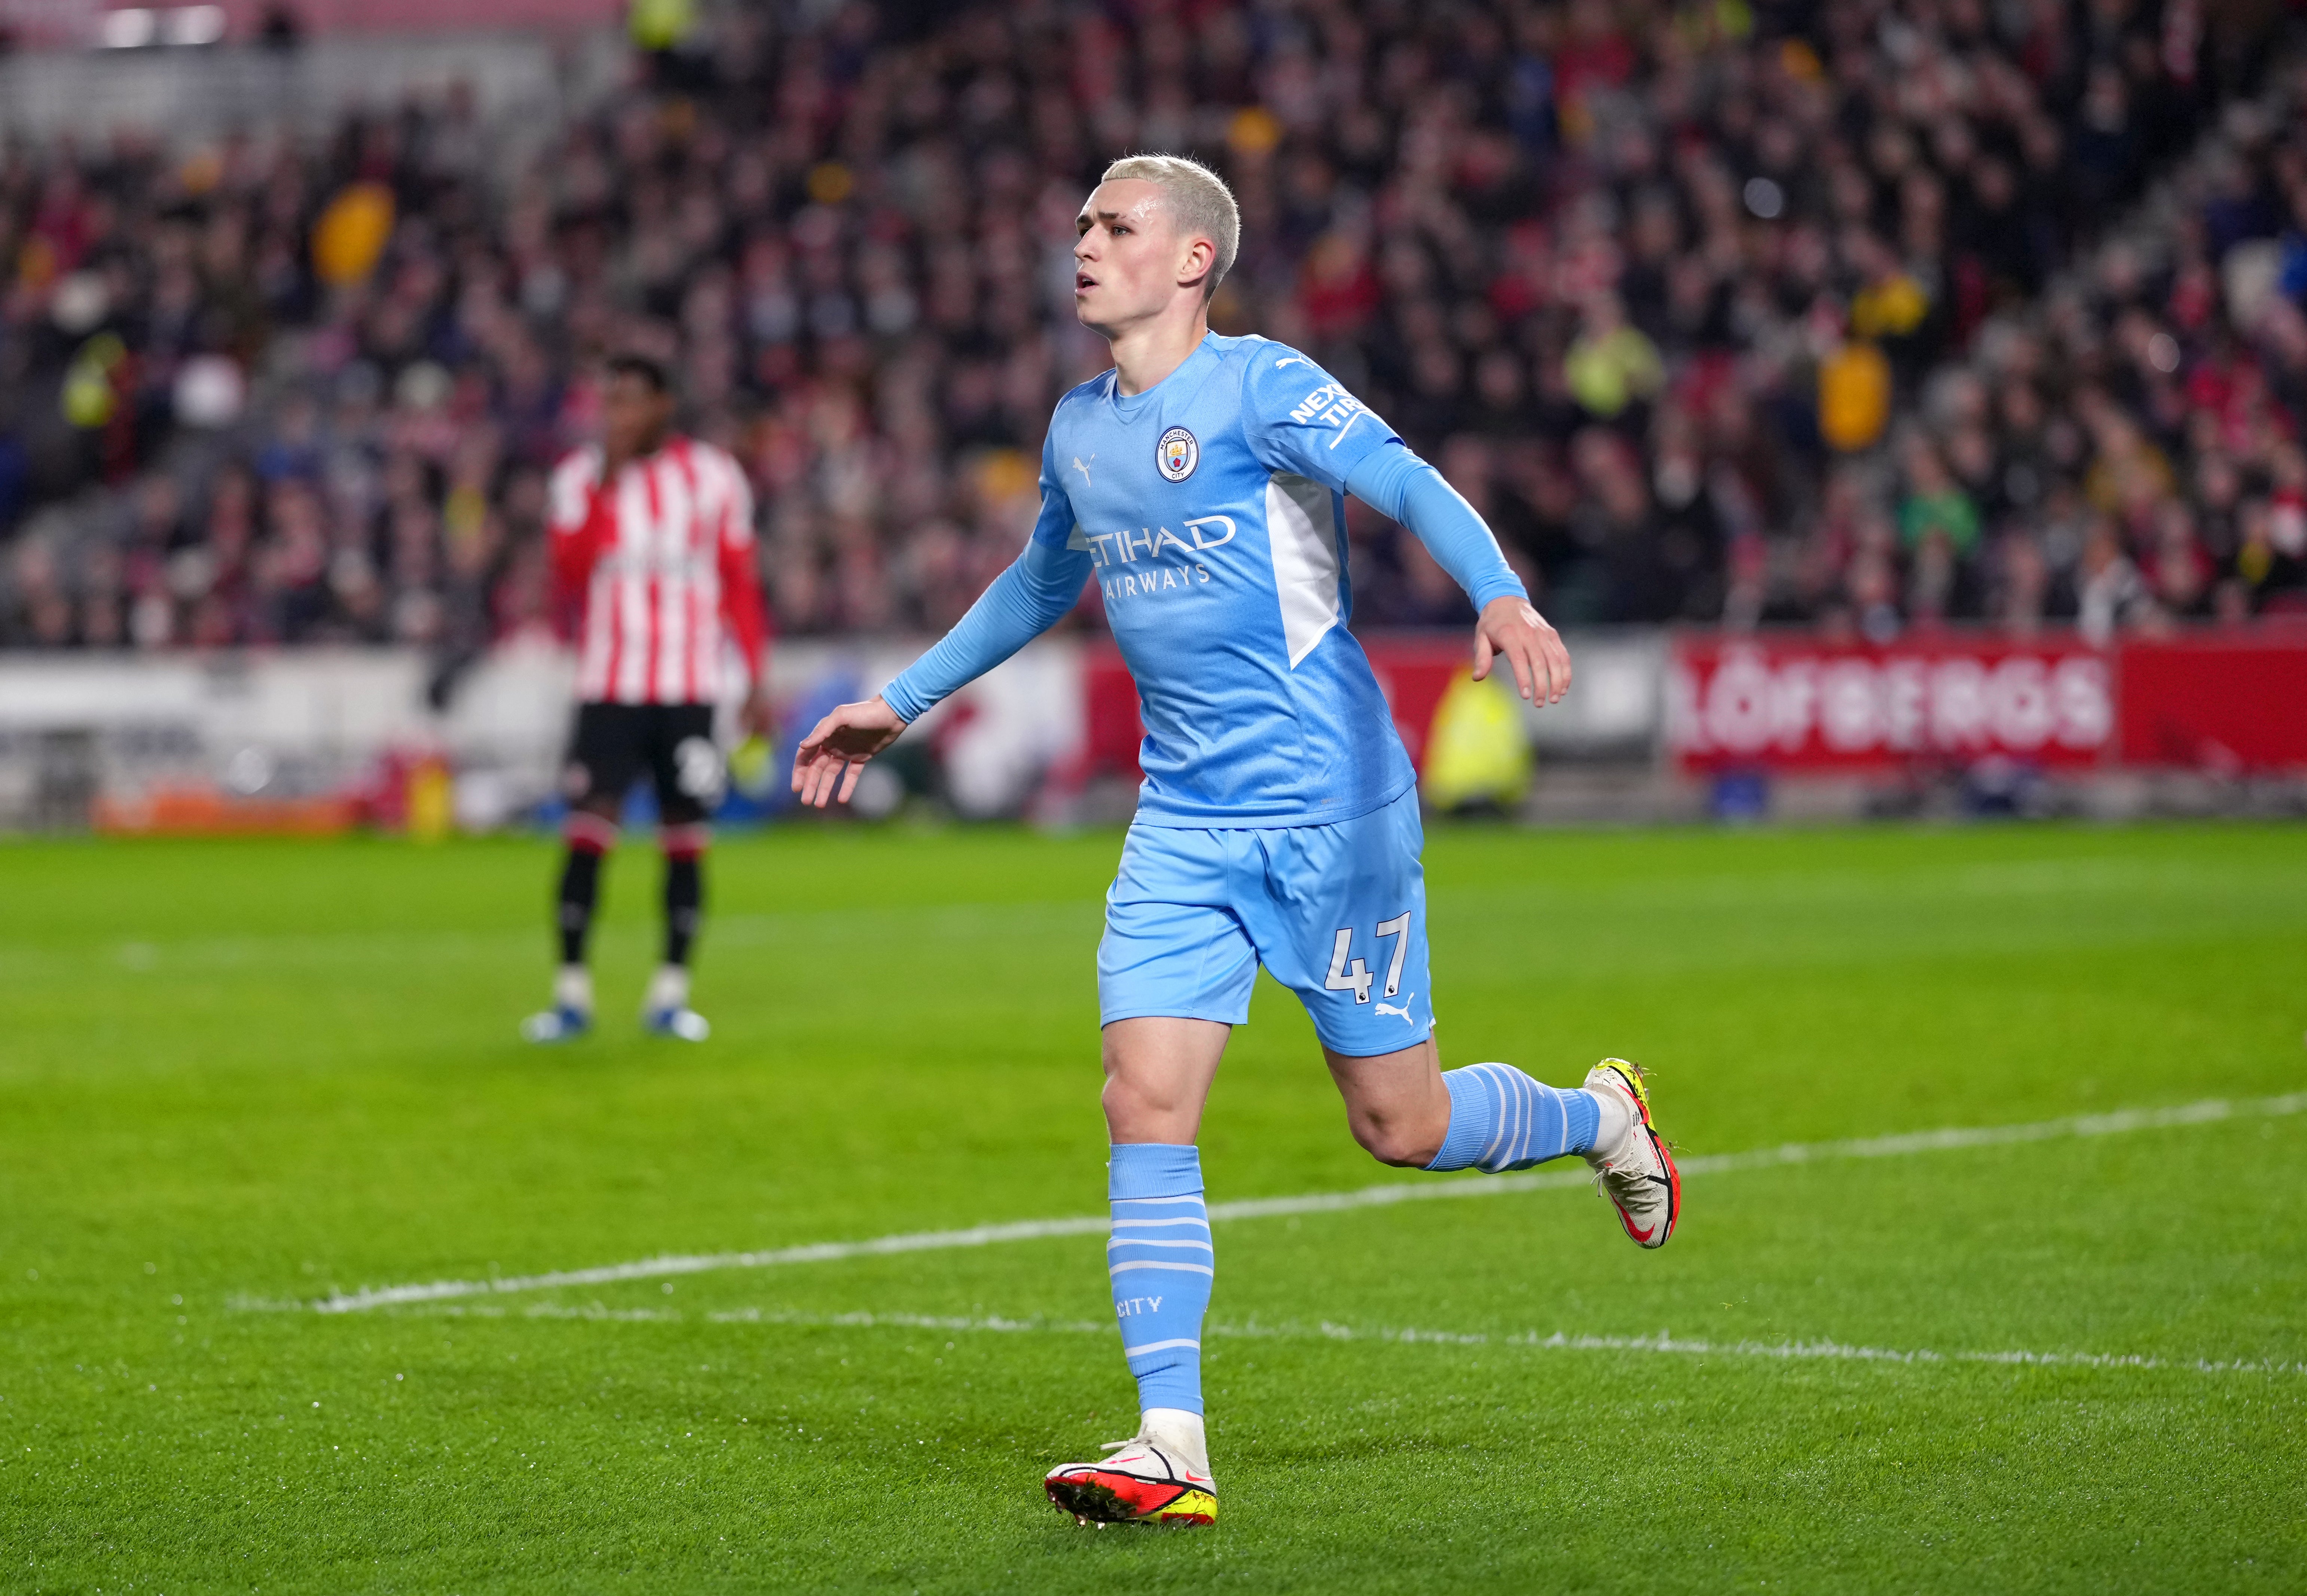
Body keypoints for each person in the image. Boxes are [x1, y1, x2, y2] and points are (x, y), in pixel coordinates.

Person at [789, 156, 1678, 1526]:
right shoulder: (1077, 428)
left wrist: (1497, 593)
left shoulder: (1263, 386)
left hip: (1331, 810)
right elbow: (1040, 579)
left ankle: (1599, 1118)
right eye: (1080, 220)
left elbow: (1401, 473)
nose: (1080, 241)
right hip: (1183, 821)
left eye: (1114, 224)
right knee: (1139, 1099)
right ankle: (1171, 1441)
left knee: (1402, 1121)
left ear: (1192, 259)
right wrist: (898, 703)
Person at [523, 353, 770, 1044]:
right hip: (609, 686)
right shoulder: (579, 476)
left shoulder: (713, 476)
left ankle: (670, 993)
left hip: (690, 687)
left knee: (685, 835)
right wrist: (605, 481)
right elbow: (568, 573)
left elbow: (738, 582)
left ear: (663, 404)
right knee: (587, 830)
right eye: (610, 403)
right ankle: (570, 994)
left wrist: (753, 675)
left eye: (631, 401)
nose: (618, 416)